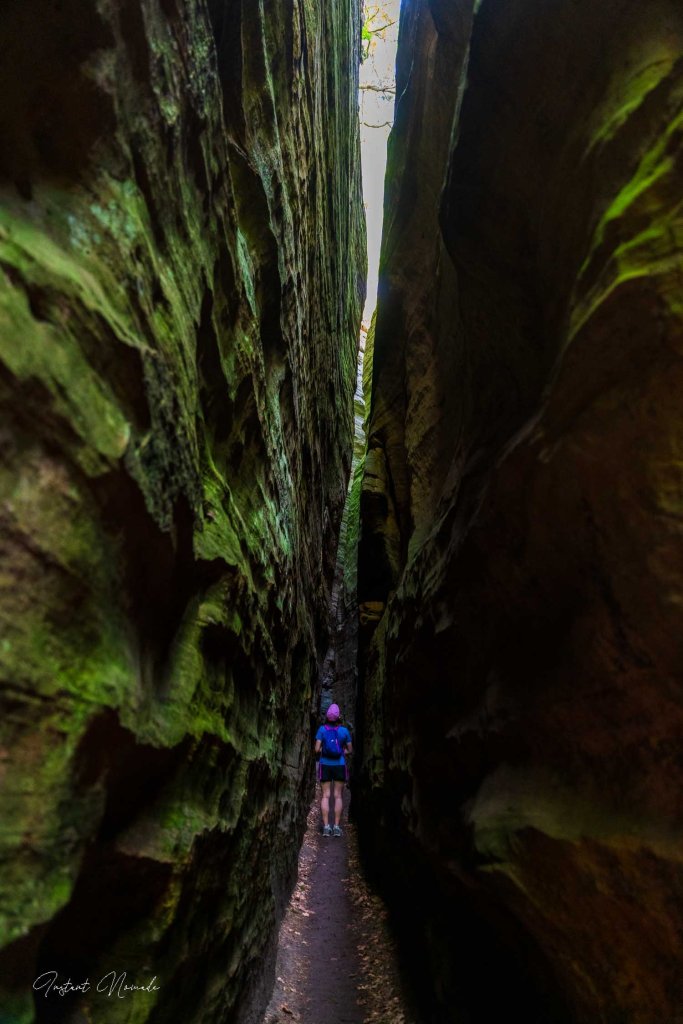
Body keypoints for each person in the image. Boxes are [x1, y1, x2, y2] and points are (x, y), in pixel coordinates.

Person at [315, 703, 352, 837]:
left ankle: (326, 827)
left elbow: (316, 750)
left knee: (325, 795)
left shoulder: (321, 730)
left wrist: (325, 750)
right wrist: (341, 751)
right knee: (338, 796)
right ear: (338, 717)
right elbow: (349, 750)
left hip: (325, 764)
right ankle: (336, 827)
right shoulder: (344, 731)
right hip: (339, 765)